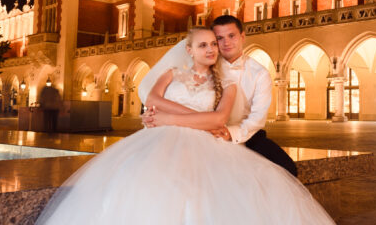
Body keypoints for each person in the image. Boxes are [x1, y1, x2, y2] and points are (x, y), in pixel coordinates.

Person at [36, 27, 332, 224]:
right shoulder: (172, 72)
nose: (214, 48)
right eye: (205, 44)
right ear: (188, 50)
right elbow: (152, 98)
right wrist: (168, 117)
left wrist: (169, 118)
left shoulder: (230, 81)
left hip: (226, 136)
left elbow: (223, 119)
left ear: (240, 37)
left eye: (215, 43)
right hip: (167, 139)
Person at [143, 15, 298, 176]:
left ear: (242, 37)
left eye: (231, 36)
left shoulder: (260, 73)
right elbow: (171, 94)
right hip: (200, 129)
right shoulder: (204, 63)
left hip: (244, 132)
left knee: (287, 168)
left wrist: (230, 133)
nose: (226, 42)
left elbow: (257, 117)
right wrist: (154, 113)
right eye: (219, 38)